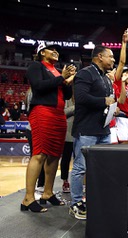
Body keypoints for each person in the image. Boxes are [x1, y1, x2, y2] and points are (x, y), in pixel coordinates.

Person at [21, 41, 76, 213]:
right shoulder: (36, 66)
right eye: (51, 49)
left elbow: (66, 95)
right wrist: (61, 78)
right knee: (39, 154)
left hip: (58, 114)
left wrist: (68, 82)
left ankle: (47, 193)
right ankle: (28, 198)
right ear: (42, 52)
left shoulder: (57, 71)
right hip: (42, 112)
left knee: (54, 156)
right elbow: (38, 87)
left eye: (57, 50)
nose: (55, 52)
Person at [70, 45, 116, 220]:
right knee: (80, 168)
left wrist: (112, 107)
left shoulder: (105, 77)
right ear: (99, 57)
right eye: (110, 56)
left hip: (103, 130)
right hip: (87, 130)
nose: (113, 60)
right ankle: (75, 203)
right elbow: (81, 98)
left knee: (100, 168)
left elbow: (105, 101)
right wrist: (104, 101)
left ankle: (94, 199)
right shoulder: (85, 73)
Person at [113, 29, 128, 144]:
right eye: (126, 72)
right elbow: (122, 62)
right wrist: (124, 44)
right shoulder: (118, 82)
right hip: (121, 118)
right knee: (123, 147)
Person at [61, 98, 74, 193]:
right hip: (68, 133)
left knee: (80, 160)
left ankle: (82, 183)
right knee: (66, 158)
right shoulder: (67, 98)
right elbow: (63, 112)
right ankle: (65, 180)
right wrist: (76, 107)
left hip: (80, 132)